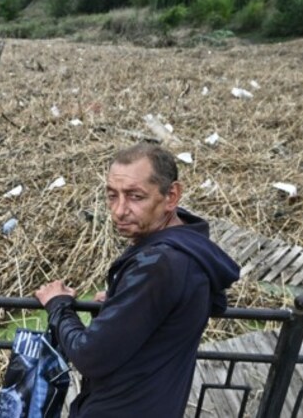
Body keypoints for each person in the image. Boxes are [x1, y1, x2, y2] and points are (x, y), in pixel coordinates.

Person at [35, 143, 240, 417]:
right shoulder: (190, 250)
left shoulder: (160, 264)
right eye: (112, 195)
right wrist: (124, 304)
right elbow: (186, 307)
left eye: (135, 197)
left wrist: (59, 306)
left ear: (171, 196)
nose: (119, 211)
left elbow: (89, 356)